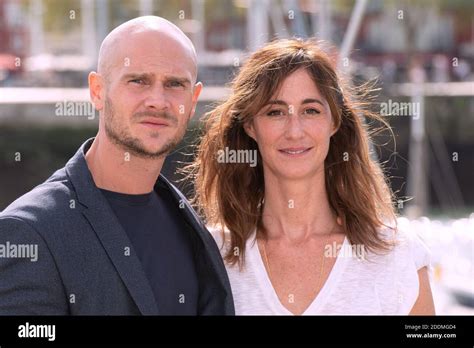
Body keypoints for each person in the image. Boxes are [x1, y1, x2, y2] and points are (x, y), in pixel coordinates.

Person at [0, 16, 234, 315]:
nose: (157, 101)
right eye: (138, 80)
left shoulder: (189, 226)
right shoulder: (29, 232)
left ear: (192, 100)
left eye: (175, 84)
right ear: (97, 91)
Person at [188, 38, 435, 315]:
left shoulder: (396, 254)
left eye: (311, 110)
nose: (295, 131)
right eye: (275, 112)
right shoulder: (212, 257)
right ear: (250, 126)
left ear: (334, 122)